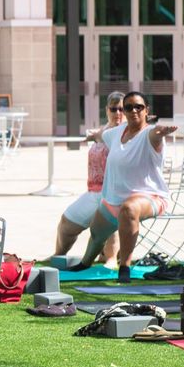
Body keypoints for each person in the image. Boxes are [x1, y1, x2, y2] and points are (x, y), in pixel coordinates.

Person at [74, 91, 176, 282]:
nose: (133, 110)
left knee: (129, 209)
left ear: (147, 110)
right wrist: (91, 137)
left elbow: (155, 133)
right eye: (128, 107)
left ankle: (124, 267)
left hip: (150, 198)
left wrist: (161, 132)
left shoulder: (150, 134)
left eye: (139, 106)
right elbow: (102, 135)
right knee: (96, 234)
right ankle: (85, 264)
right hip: (113, 200)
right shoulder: (115, 134)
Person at [52, 91, 124, 264]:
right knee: (66, 223)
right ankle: (58, 255)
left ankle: (111, 259)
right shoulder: (104, 130)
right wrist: (96, 135)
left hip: (115, 192)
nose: (118, 113)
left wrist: (97, 136)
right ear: (107, 110)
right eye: (114, 109)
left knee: (109, 218)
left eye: (122, 109)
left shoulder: (126, 132)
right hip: (93, 191)